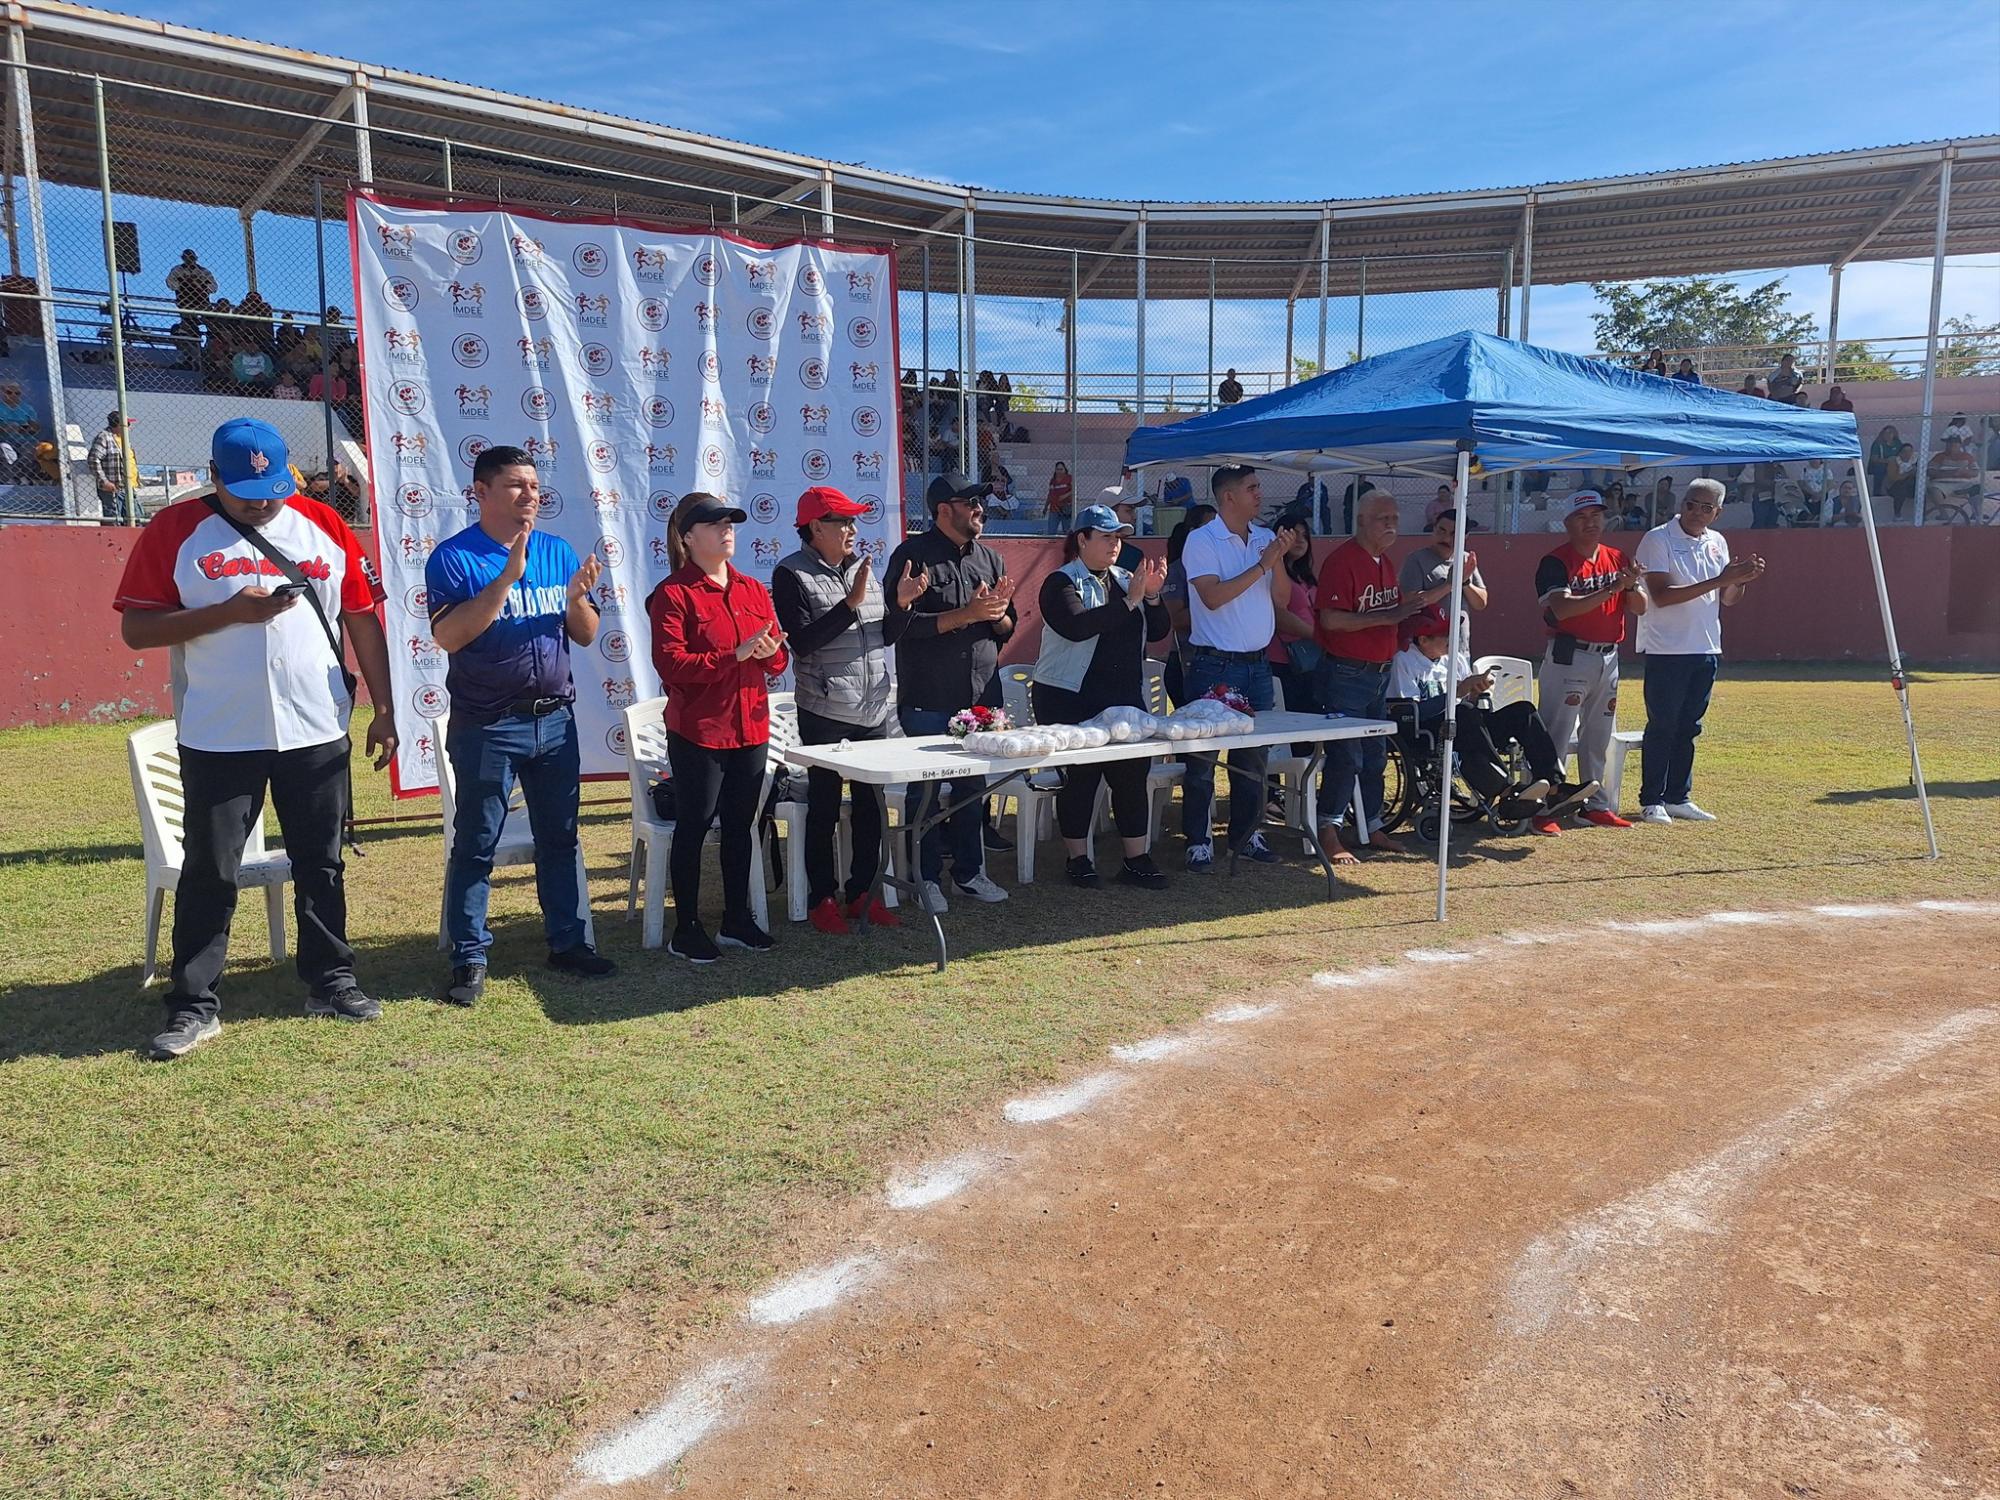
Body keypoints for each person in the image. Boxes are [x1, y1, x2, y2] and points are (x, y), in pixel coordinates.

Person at [113, 417, 395, 1060]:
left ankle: (331, 980)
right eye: (245, 493)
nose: (263, 503)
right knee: (211, 871)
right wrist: (229, 613)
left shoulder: (321, 522)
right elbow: (138, 631)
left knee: (321, 861)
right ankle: (192, 1005)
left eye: (272, 488)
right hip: (220, 732)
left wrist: (384, 706)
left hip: (316, 726)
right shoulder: (174, 531)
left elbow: (360, 616)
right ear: (213, 477)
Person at [426, 445, 615, 1004]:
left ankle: (569, 942)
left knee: (559, 837)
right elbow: (449, 637)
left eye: (533, 485)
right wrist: (507, 578)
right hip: (488, 725)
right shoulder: (454, 558)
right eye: (515, 485)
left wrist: (578, 599)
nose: (529, 494)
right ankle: (470, 957)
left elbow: (583, 633)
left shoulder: (557, 552)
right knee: (478, 842)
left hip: (554, 721)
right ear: (481, 492)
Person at [647, 493, 790, 961]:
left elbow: (777, 658)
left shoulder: (751, 588)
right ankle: (685, 927)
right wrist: (735, 655)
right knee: (693, 824)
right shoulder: (673, 594)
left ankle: (736, 919)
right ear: (687, 538)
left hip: (750, 726)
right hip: (699, 730)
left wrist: (770, 653)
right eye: (713, 524)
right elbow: (671, 665)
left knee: (739, 826)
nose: (726, 529)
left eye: (730, 522)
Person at [771, 486, 918, 935]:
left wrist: (903, 606)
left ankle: (861, 894)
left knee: (872, 808)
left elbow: (884, 636)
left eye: (854, 521)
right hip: (824, 709)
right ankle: (822, 899)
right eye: (842, 522)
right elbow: (803, 641)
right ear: (816, 528)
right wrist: (849, 603)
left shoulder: (863, 569)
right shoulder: (790, 574)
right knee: (824, 806)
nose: (853, 530)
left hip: (872, 709)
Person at [883, 471, 1016, 912]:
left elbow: (1006, 627)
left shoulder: (991, 559)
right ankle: (925, 879)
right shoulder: (912, 557)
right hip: (928, 699)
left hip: (980, 698)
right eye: (970, 502)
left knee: (972, 793)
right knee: (925, 795)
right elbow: (898, 628)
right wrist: (967, 613)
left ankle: (969, 874)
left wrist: (994, 614)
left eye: (981, 501)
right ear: (944, 510)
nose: (980, 509)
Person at [1033, 504, 1172, 890]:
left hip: (1124, 697)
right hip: (1070, 696)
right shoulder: (1060, 582)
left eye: (1119, 537)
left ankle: (1136, 859)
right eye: (1107, 536)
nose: (1115, 544)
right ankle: (1078, 859)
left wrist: (1153, 598)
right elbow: (1078, 627)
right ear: (1082, 540)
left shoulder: (1128, 578)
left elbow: (1159, 630)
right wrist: (1130, 601)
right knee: (1081, 777)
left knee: (1131, 776)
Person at [1314, 489, 1448, 860]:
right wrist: (1385, 618)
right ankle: (1328, 830)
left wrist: (1414, 612)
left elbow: (1396, 610)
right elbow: (1330, 619)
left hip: (1378, 673)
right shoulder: (1343, 561)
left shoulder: (1384, 562)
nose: (1391, 525)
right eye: (1382, 519)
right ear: (1360, 522)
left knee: (1375, 754)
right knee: (1347, 756)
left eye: (1394, 519)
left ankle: (1371, 826)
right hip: (1346, 672)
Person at [1634, 478, 1765, 826]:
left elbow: (1728, 599)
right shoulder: (1657, 538)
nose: (1696, 512)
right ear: (1682, 503)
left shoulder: (1717, 542)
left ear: (1717, 512)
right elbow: (1661, 595)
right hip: (1666, 648)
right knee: (1662, 724)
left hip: (1705, 646)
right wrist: (1722, 580)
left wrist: (1739, 580)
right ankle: (1651, 800)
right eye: (1691, 504)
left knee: (1690, 726)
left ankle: (1678, 796)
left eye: (1706, 507)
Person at [1387, 606, 1586, 832]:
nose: (1451, 639)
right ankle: (1507, 791)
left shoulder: (1456, 659)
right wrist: (1458, 693)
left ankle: (1554, 788)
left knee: (1523, 712)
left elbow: (1467, 698)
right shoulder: (1404, 661)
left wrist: (1476, 689)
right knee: (1464, 714)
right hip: (1428, 732)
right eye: (1445, 635)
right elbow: (1410, 712)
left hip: (1467, 726)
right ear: (1423, 639)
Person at [1178, 465, 1288, 871]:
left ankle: (1246, 836)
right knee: (1203, 759)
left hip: (1257, 666)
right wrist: (1262, 565)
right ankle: (1197, 841)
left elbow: (1282, 598)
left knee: (1254, 761)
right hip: (1214, 665)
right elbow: (1212, 597)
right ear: (1229, 497)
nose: (1260, 494)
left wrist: (1277, 561)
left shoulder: (1264, 538)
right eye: (1252, 488)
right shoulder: (1201, 540)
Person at [1534, 490, 1649, 828]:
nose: (1591, 522)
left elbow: (1640, 607)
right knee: (1556, 733)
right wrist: (1612, 589)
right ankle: (1544, 807)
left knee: (1599, 734)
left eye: (1596, 515)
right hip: (1570, 654)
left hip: (1608, 655)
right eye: (1582, 517)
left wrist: (1629, 587)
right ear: (1567, 522)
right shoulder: (1556, 561)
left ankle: (1594, 804)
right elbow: (1562, 608)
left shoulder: (1616, 557)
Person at [1159, 501, 1217, 708]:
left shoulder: (1222, 566)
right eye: (1209, 528)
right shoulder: (1178, 570)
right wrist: (1218, 601)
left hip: (1220, 660)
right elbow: (1175, 619)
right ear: (1193, 533)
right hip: (1187, 662)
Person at [1267, 511, 1322, 719]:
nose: (1300, 540)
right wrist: (1316, 635)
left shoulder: (1305, 576)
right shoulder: (1274, 574)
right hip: (1285, 660)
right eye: (1294, 534)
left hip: (1312, 658)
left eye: (1304, 535)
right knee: (1294, 717)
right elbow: (1278, 615)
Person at [88, 410, 138, 524]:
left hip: (128, 487)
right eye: (128, 424)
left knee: (135, 518)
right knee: (115, 520)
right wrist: (104, 481)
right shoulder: (104, 437)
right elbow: (93, 459)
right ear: (118, 425)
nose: (130, 427)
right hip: (113, 489)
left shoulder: (123, 439)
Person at [1866, 424, 1901, 494]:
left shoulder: (1897, 443)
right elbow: (1874, 459)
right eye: (1886, 433)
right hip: (1880, 465)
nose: (1888, 435)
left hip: (1894, 464)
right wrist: (1887, 461)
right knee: (1880, 469)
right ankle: (1877, 492)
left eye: (1891, 432)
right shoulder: (1878, 444)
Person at [1045, 460, 1075, 533]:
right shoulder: (1053, 481)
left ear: (1065, 470)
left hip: (1066, 508)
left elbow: (1074, 490)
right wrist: (1046, 507)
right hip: (1054, 508)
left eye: (1061, 469)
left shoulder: (1069, 478)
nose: (1059, 471)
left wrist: (1065, 496)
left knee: (1066, 530)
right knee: (1051, 531)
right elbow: (1050, 494)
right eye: (1057, 469)